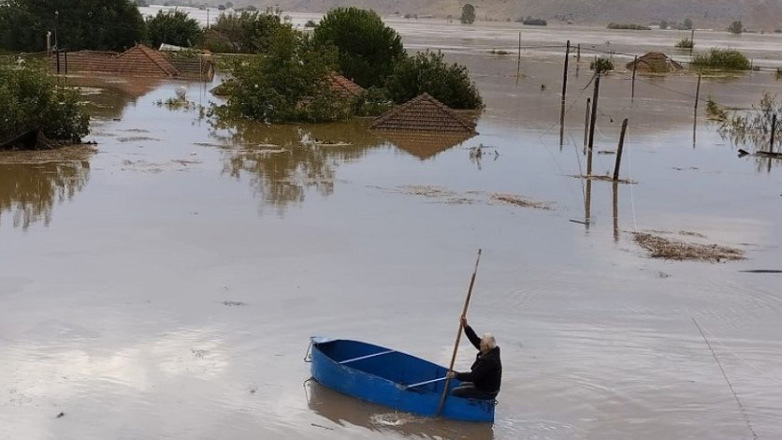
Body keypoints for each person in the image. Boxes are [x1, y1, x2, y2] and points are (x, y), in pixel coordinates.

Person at [446, 316, 502, 399]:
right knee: (462, 384)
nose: (480, 344)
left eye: (482, 343)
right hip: (485, 384)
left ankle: (464, 408)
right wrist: (466, 326)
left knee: (456, 391)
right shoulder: (492, 349)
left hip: (488, 391)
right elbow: (475, 340)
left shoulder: (488, 361)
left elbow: (472, 376)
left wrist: (455, 375)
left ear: (486, 346)